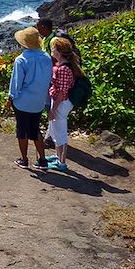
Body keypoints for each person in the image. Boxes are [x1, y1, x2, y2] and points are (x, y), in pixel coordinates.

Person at [6, 27, 52, 170]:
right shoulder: (46, 57)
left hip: (23, 101)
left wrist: (10, 98)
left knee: (22, 130)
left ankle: (24, 159)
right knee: (35, 129)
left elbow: (16, 83)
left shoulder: (21, 60)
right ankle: (43, 161)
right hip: (39, 101)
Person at [44, 37, 84, 171]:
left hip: (60, 103)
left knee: (60, 132)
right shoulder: (63, 65)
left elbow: (62, 92)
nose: (52, 49)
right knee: (56, 130)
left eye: (54, 48)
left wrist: (53, 110)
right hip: (60, 102)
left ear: (59, 51)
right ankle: (58, 156)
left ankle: (62, 163)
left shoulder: (62, 69)